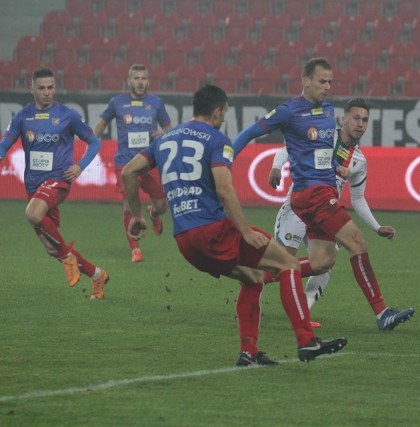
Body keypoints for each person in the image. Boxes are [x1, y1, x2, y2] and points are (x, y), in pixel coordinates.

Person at [121, 84, 347, 365]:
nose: (224, 117)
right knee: (287, 265)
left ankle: (248, 351)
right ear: (217, 111)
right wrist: (244, 230)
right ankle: (306, 341)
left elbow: (128, 172)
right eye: (224, 112)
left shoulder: (165, 140)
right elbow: (224, 190)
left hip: (185, 241)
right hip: (214, 230)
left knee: (253, 278)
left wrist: (137, 215)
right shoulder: (217, 140)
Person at [233, 57, 415, 331]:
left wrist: (335, 168)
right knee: (357, 243)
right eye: (322, 81)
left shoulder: (329, 114)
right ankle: (382, 312)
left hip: (322, 195)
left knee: (322, 262)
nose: (327, 86)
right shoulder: (289, 111)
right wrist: (236, 162)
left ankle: (258, 274)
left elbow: (318, 152)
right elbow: (257, 134)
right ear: (305, 80)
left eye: (330, 81)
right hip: (310, 194)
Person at [267, 98, 397, 328]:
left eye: (364, 120)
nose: (360, 124)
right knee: (282, 261)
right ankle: (256, 283)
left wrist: (377, 227)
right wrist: (277, 167)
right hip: (299, 207)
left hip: (326, 208)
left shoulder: (360, 160)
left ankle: (302, 315)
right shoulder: (324, 135)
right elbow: (287, 148)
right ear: (344, 119)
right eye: (356, 118)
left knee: (324, 263)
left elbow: (357, 198)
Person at [0, 67, 109, 299]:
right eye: (41, 88)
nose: (47, 92)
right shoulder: (22, 116)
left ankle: (68, 259)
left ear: (55, 88)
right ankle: (98, 275)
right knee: (53, 249)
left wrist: (80, 166)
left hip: (59, 180)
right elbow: (5, 144)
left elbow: (95, 143)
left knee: (32, 214)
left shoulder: (67, 115)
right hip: (33, 186)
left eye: (50, 87)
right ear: (32, 89)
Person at [94, 64, 172, 263]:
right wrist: (93, 142)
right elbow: (102, 123)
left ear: (148, 81)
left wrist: (165, 133)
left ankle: (153, 213)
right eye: (136, 78)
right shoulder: (117, 102)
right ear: (129, 81)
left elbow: (169, 127)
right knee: (129, 205)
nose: (140, 82)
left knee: (163, 205)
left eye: (144, 78)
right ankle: (135, 250)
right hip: (125, 163)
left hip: (148, 161)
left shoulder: (156, 103)